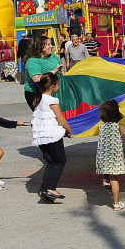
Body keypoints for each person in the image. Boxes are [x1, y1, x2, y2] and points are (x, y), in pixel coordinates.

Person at [31, 72, 72, 203]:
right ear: (53, 86)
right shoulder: (52, 100)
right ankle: (50, 188)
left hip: (41, 136)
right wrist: (69, 130)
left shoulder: (38, 99)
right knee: (60, 161)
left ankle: (44, 189)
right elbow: (61, 120)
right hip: (52, 135)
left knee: (50, 162)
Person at [96, 99, 125, 211]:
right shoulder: (119, 126)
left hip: (103, 157)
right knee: (115, 181)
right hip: (114, 158)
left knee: (107, 172)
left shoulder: (101, 127)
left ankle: (105, 179)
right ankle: (116, 204)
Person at [23, 35, 64, 108]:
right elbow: (37, 79)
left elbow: (61, 66)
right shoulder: (33, 61)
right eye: (48, 44)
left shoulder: (52, 55)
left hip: (51, 90)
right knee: (45, 115)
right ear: (41, 47)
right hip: (36, 93)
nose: (51, 46)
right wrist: (53, 71)